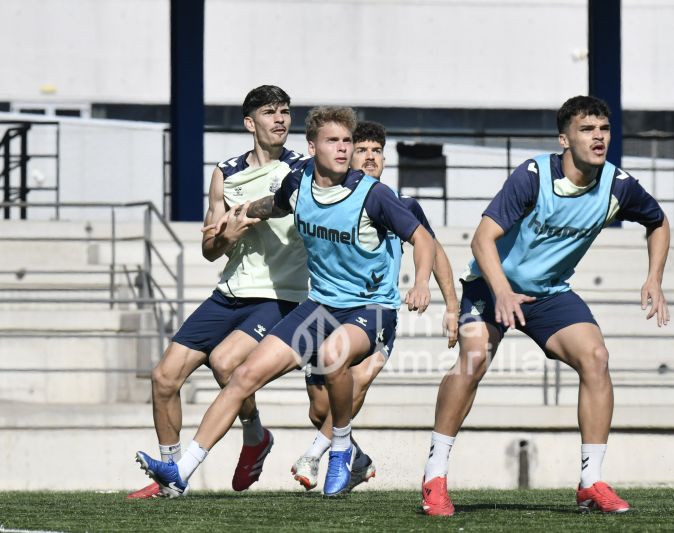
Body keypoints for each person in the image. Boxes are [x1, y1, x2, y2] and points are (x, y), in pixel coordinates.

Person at [135, 106, 436, 498]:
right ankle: (182, 471)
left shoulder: (373, 195)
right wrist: (236, 215)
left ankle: (341, 449)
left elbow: (424, 240)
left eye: (347, 141)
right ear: (312, 147)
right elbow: (273, 205)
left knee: (332, 355)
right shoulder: (300, 181)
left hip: (370, 308)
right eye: (334, 141)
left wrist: (423, 284)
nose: (344, 149)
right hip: (321, 306)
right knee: (242, 376)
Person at [420, 95, 671, 516]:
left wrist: (654, 277)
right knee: (474, 358)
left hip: (549, 293)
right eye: (587, 129)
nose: (598, 137)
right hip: (490, 284)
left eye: (603, 129)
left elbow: (658, 221)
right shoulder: (533, 176)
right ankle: (434, 476)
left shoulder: (618, 184)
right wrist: (501, 291)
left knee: (596, 357)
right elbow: (482, 240)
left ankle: (591, 482)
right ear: (564, 138)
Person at [128, 85, 310, 498]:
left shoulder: (301, 168)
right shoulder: (226, 173)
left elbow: (283, 205)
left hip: (280, 295)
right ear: (250, 123)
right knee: (163, 378)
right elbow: (210, 249)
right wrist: (227, 235)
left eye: (284, 111)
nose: (280, 119)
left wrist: (247, 213)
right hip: (230, 293)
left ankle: (254, 437)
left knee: (226, 363)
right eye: (270, 112)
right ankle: (168, 478)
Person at [291, 121, 459, 492]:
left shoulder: (398, 203)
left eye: (377, 151)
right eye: (362, 149)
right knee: (319, 409)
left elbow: (432, 248)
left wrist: (450, 306)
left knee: (358, 380)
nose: (370, 156)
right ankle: (358, 460)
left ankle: (315, 455)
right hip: (327, 309)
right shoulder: (331, 197)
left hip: (376, 314)